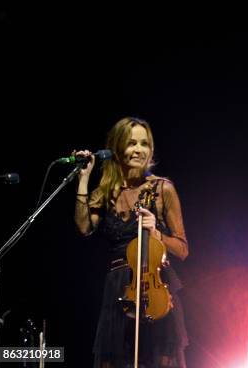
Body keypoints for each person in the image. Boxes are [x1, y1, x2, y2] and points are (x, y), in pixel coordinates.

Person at [74, 117, 190, 368]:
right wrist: (84, 179)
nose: (139, 150)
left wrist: (156, 233)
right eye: (131, 143)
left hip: (156, 288)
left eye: (144, 144)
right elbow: (84, 228)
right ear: (117, 148)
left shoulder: (162, 189)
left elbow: (182, 249)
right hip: (118, 289)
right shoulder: (106, 192)